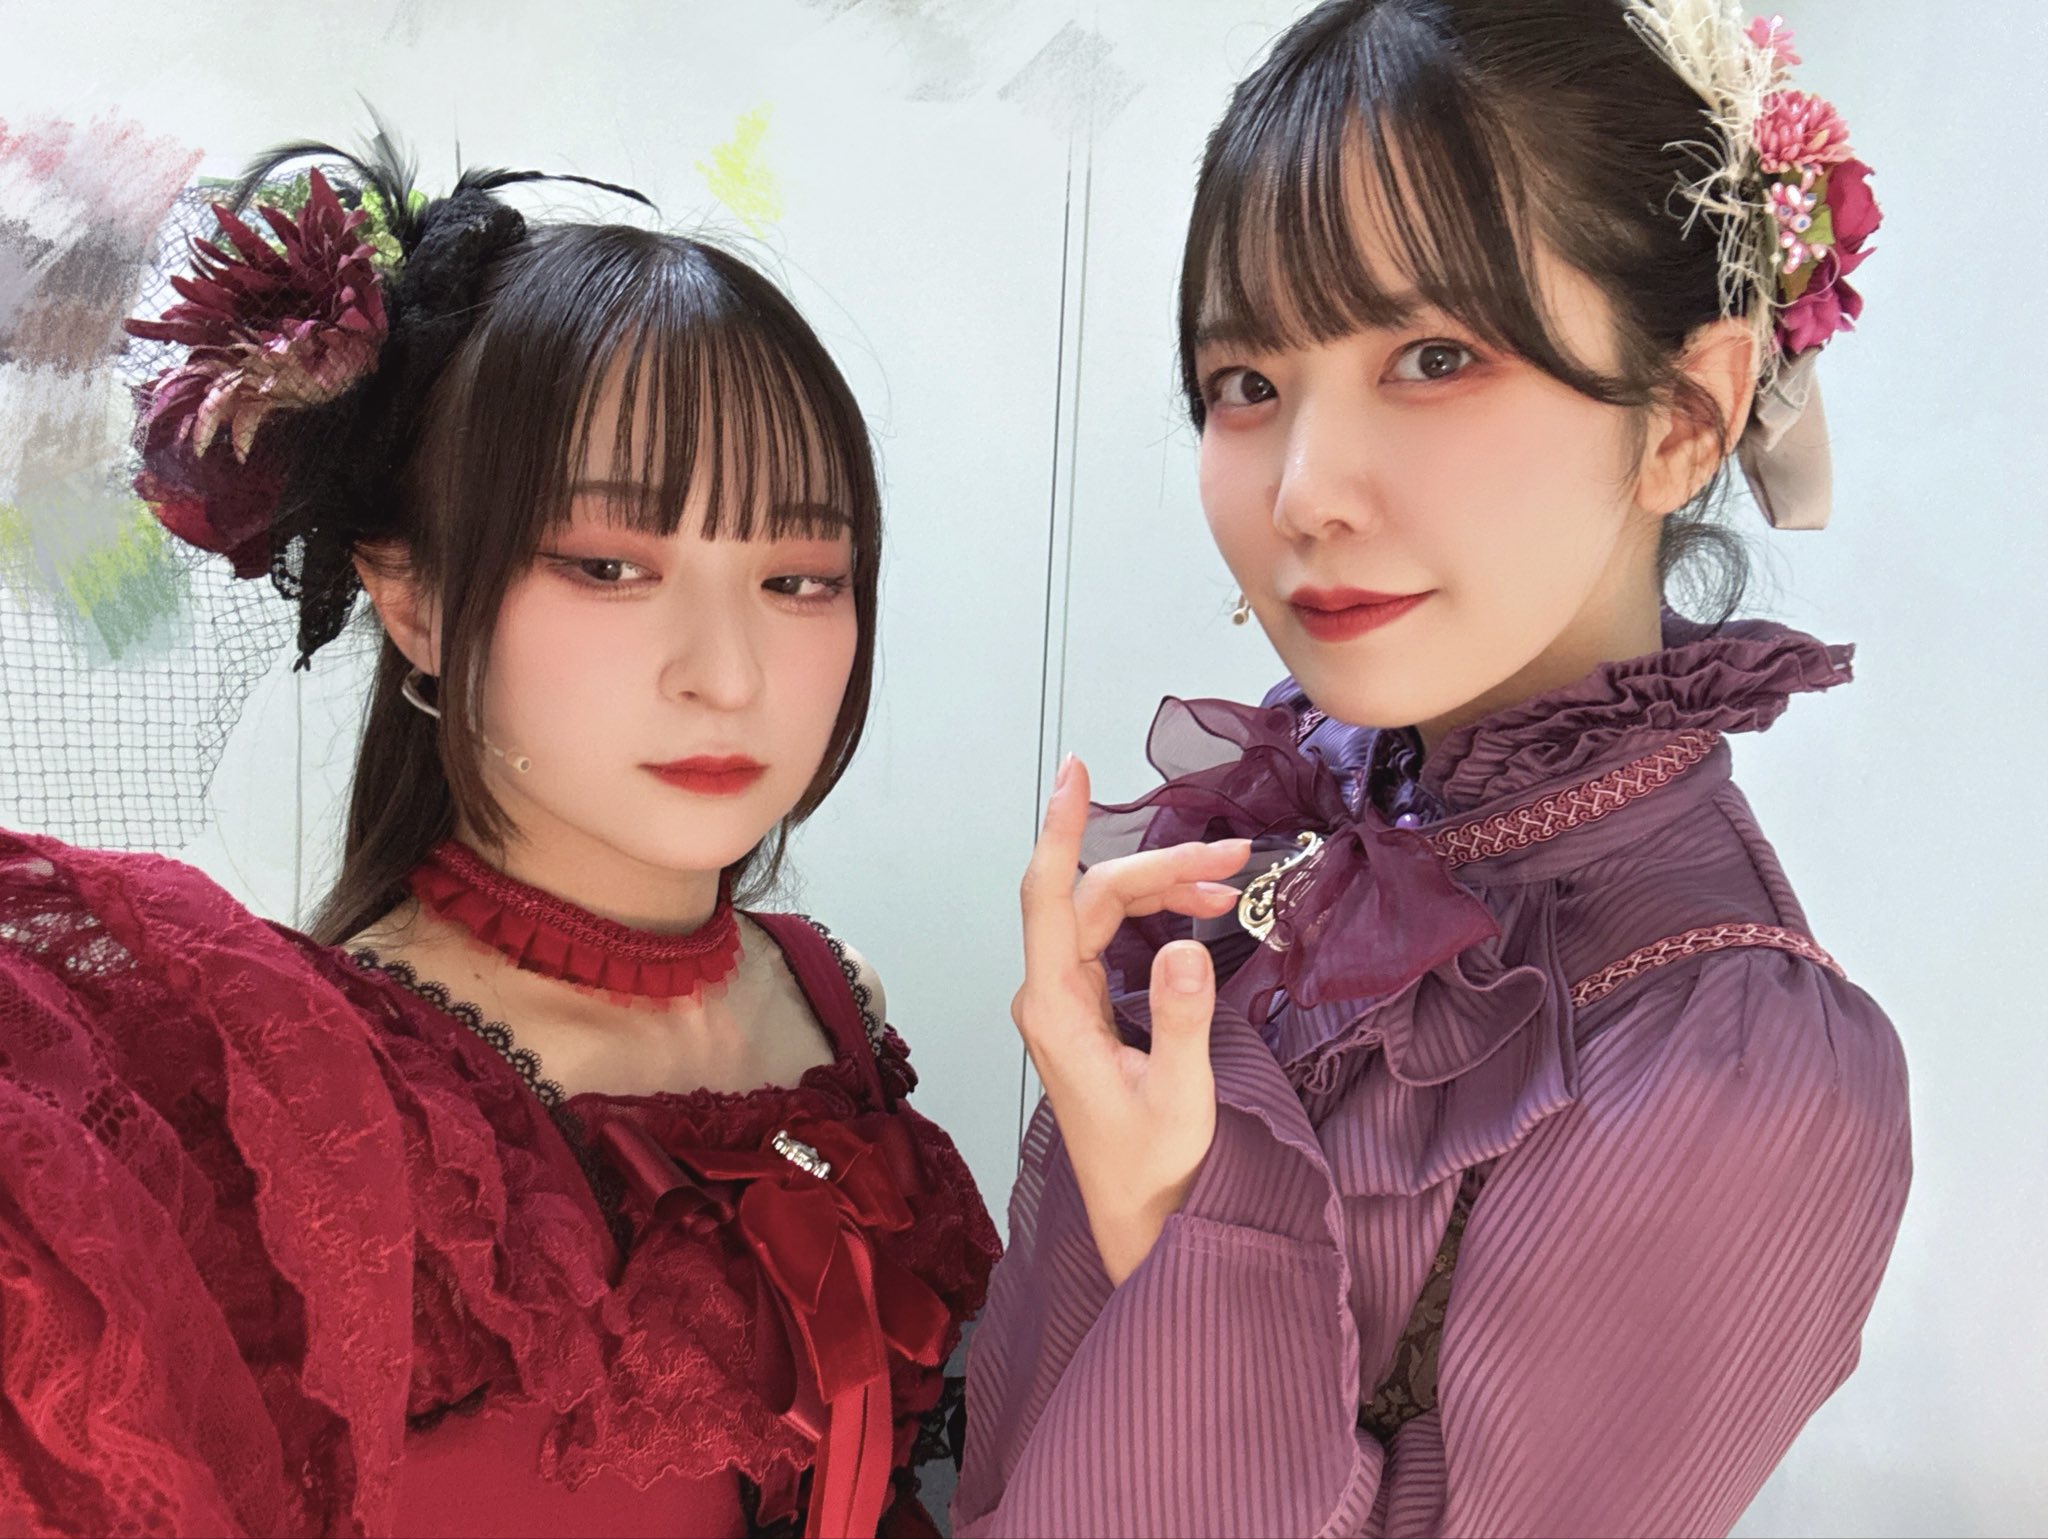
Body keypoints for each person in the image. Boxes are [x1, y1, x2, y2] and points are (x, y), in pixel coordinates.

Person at [958, 3, 1909, 1534]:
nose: (1303, 493)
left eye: (1434, 354)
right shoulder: (1305, 789)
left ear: (1686, 417)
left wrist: (1185, 1243)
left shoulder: (1738, 1064)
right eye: (1244, 381)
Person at [0, 132, 997, 1538]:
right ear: (411, 598)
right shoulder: (304, 1108)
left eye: (798, 577)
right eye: (610, 565)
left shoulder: (834, 998)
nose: (728, 673)